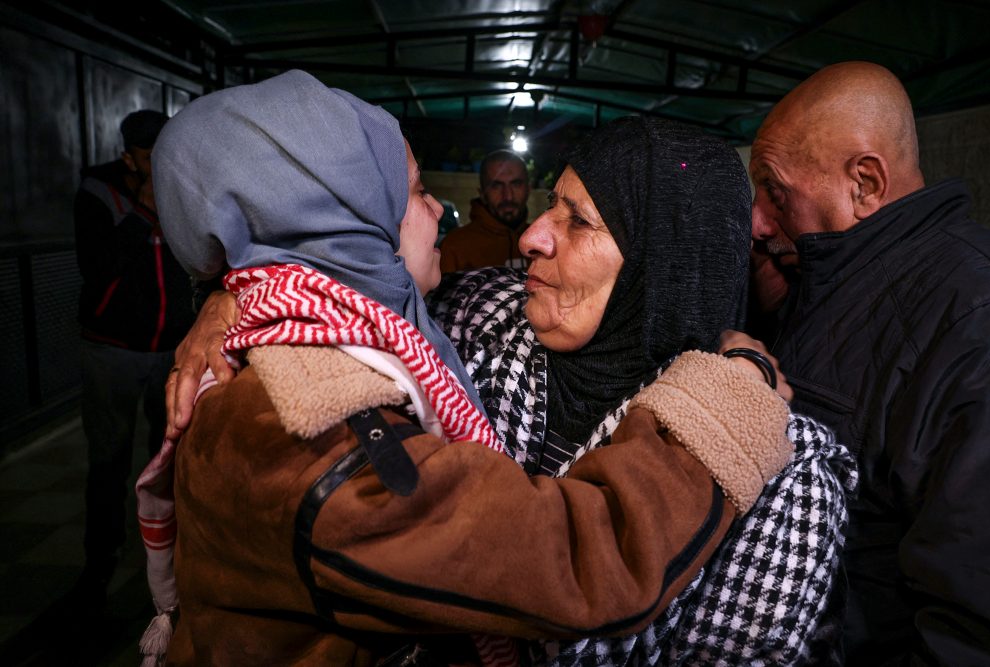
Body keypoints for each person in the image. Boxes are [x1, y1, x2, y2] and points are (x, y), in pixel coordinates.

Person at [161, 75, 854, 664]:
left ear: (662, 266)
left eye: (575, 218)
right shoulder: (470, 329)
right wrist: (232, 294)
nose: (530, 236)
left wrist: (241, 289)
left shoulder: (784, 480)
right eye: (417, 193)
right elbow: (588, 561)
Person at [749, 60, 990, 664]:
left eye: (776, 193)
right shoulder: (833, 277)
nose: (757, 220)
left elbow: (976, 615)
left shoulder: (975, 316)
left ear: (865, 183)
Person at [71, 109, 194, 605]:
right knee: (108, 459)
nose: (160, 162)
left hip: (171, 347)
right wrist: (143, 212)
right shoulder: (99, 194)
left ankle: (167, 557)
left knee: (168, 455)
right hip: (114, 350)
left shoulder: (180, 189)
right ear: (128, 155)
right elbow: (96, 270)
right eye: (149, 154)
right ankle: (99, 563)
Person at [438, 149, 530, 272]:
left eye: (516, 184)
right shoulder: (454, 247)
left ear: (528, 189)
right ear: (482, 194)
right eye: (496, 186)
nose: (508, 196)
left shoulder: (545, 244)